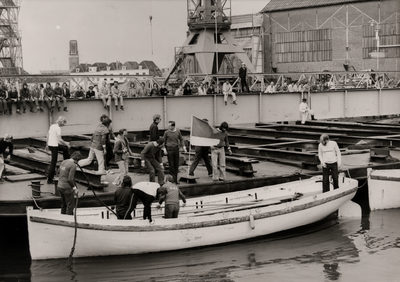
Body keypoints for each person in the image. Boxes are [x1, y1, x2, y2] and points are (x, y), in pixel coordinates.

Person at [78, 116, 112, 184]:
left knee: (89, 159)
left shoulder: (98, 127)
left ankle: (78, 164)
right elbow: (103, 140)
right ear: (108, 124)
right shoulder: (105, 129)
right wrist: (104, 149)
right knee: (101, 163)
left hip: (93, 145)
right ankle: (102, 179)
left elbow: (92, 137)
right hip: (98, 147)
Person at [46, 116, 70, 184]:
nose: (64, 125)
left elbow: (48, 135)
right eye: (64, 123)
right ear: (62, 122)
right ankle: (49, 179)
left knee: (65, 149)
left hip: (51, 145)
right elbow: (59, 139)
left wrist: (46, 144)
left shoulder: (52, 126)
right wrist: (66, 144)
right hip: (54, 146)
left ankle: (66, 162)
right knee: (53, 162)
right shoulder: (58, 128)